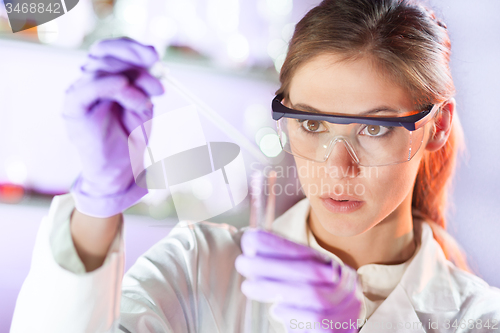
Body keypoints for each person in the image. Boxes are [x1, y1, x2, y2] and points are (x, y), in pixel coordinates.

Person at [11, 0, 500, 332]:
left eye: (374, 128)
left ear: (436, 126)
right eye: (311, 124)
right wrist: (98, 199)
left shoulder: (479, 317)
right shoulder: (197, 266)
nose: (338, 167)